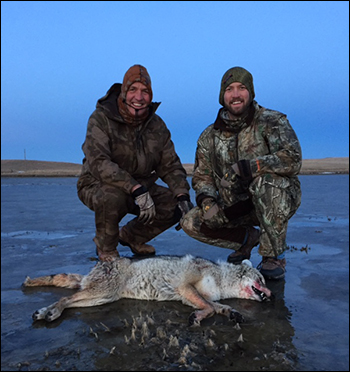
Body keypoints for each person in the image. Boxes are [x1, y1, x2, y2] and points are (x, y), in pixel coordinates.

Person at [181, 66, 302, 280]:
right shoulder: (209, 136)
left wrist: (252, 167)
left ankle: (273, 255)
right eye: (230, 89)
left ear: (251, 92)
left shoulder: (272, 121)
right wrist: (207, 198)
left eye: (242, 88)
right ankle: (246, 238)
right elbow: (202, 176)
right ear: (222, 95)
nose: (236, 94)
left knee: (265, 183)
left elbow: (292, 158)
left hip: (274, 198)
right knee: (192, 221)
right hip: (235, 206)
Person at [77, 64, 193, 262]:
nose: (139, 98)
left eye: (145, 92)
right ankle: (106, 247)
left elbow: (170, 164)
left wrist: (182, 194)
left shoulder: (157, 125)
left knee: (175, 205)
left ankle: (132, 236)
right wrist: (135, 188)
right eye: (133, 90)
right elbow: (99, 162)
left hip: (142, 187)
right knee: (111, 197)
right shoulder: (101, 119)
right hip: (99, 184)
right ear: (123, 92)